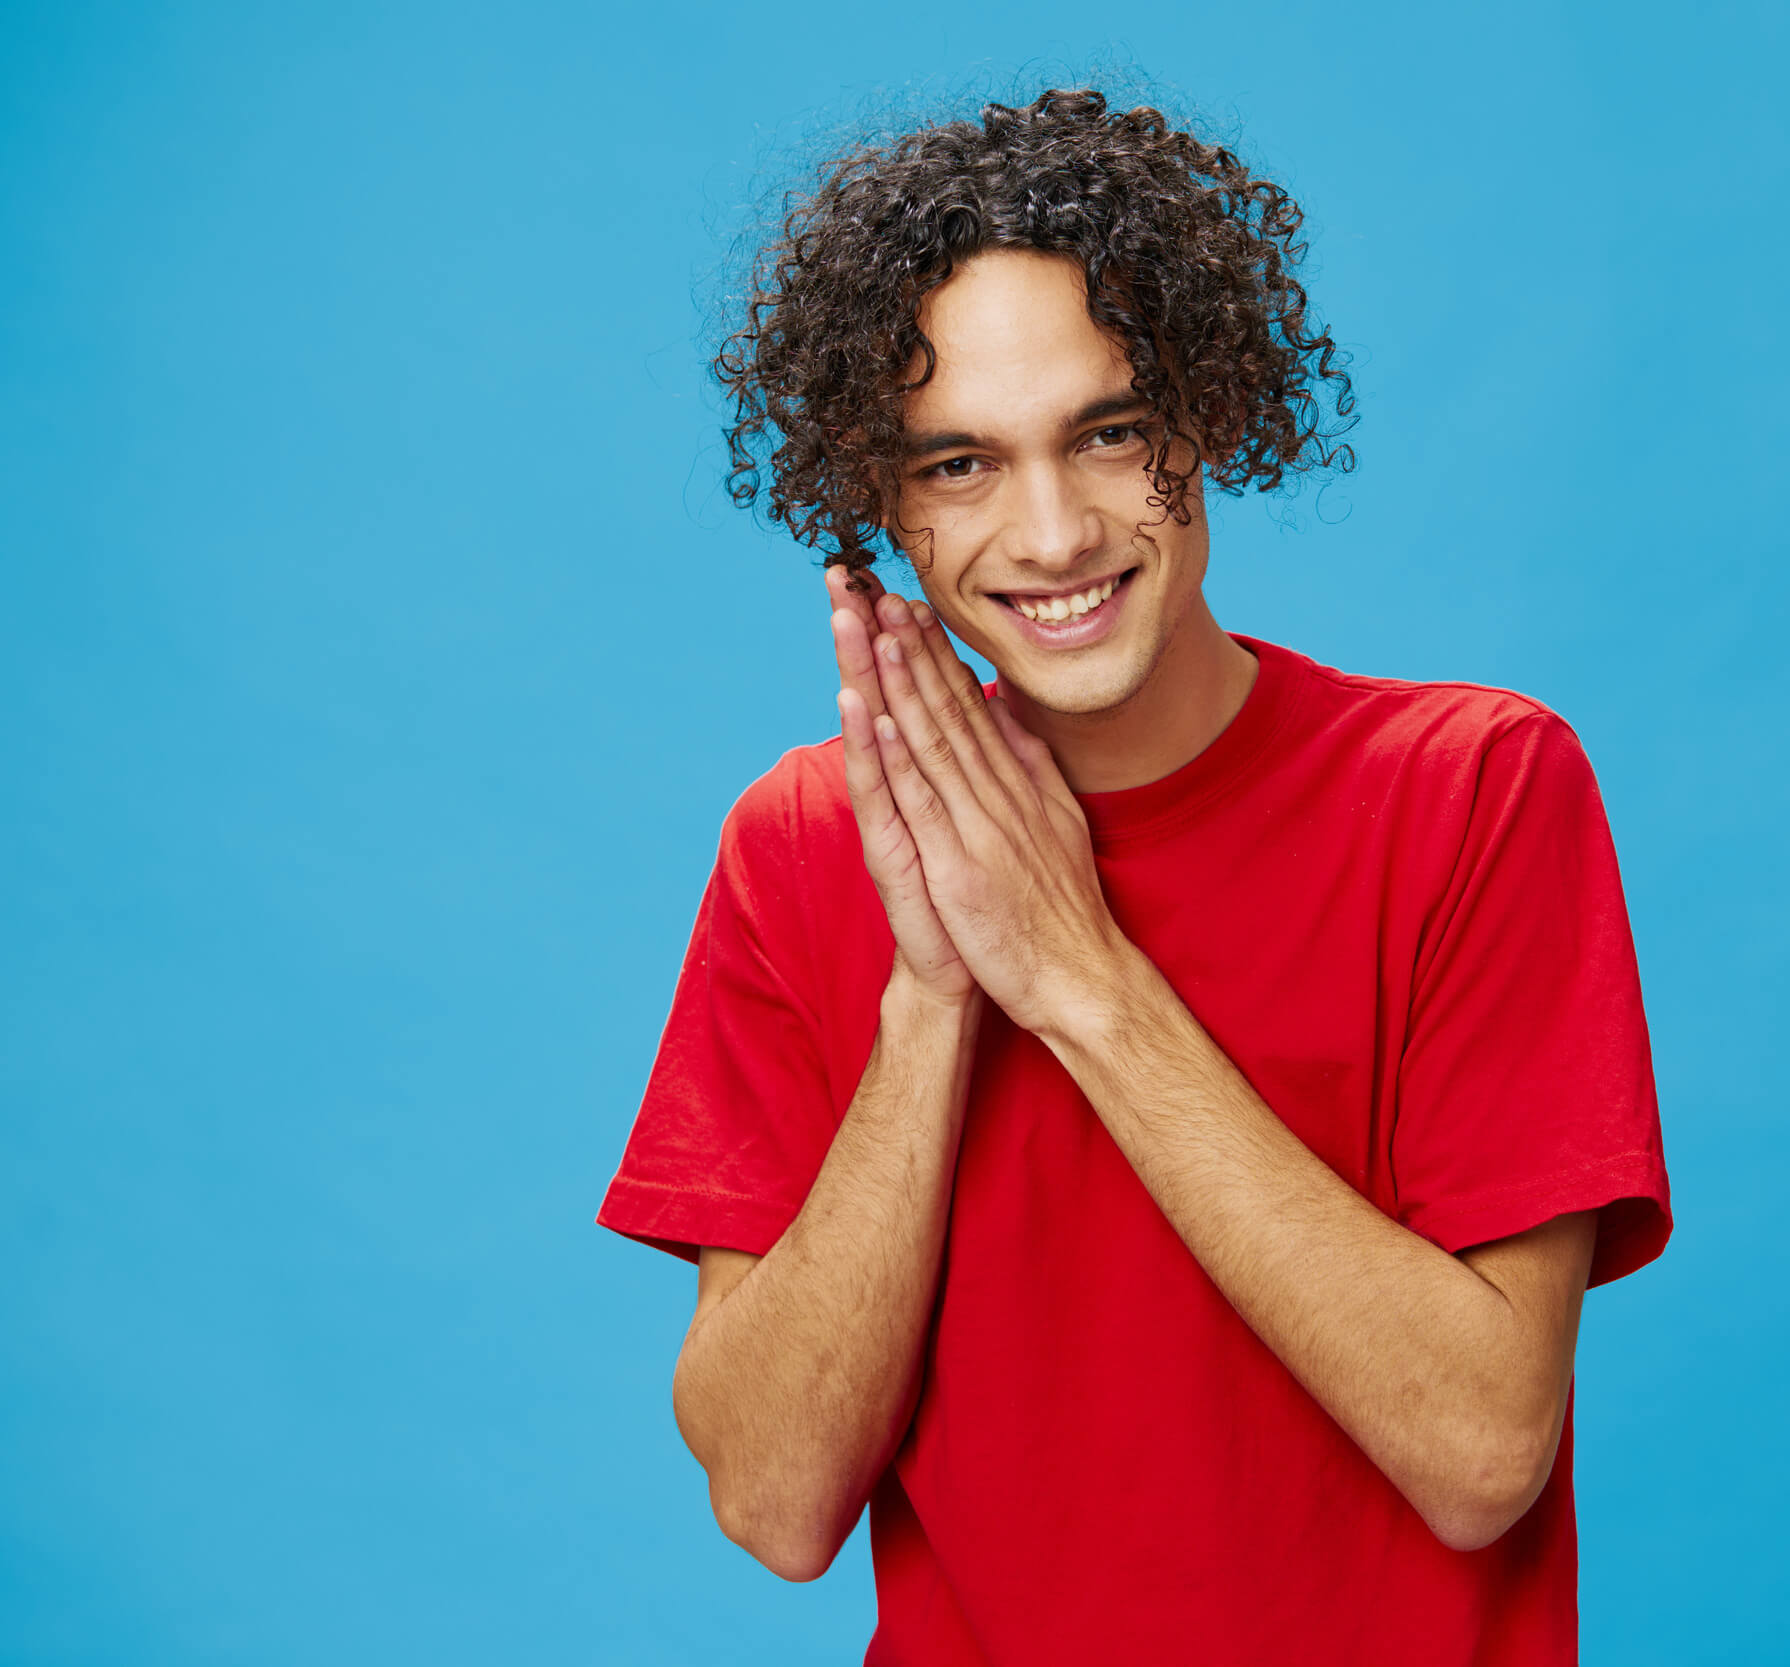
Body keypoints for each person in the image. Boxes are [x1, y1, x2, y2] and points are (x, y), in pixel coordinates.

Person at [596, 88, 1672, 1664]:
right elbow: (773, 1501)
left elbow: (1481, 1457)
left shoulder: (1471, 792)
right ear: (878, 501)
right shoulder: (807, 848)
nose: (1051, 531)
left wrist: (1083, 981)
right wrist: (931, 992)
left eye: (1106, 434)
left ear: (1206, 413)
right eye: (959, 464)